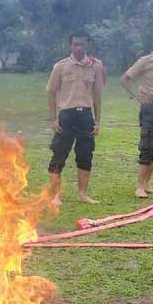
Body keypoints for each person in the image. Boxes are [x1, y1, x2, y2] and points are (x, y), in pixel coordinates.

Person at [46, 32, 105, 205]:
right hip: (66, 115)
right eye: (76, 44)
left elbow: (97, 94)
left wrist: (97, 120)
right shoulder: (61, 66)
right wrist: (53, 119)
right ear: (70, 46)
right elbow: (50, 91)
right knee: (59, 154)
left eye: (82, 44)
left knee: (86, 154)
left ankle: (83, 194)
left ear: (88, 45)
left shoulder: (96, 66)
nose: (79, 48)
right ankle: (55, 195)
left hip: (86, 115)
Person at [120, 29, 153, 198]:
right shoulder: (146, 60)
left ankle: (147, 183)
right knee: (147, 146)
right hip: (149, 106)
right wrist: (137, 97)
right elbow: (125, 79)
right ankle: (139, 187)